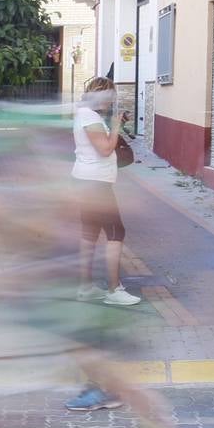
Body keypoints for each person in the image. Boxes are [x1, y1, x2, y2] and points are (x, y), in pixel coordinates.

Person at [71, 76, 140, 307]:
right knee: (116, 232)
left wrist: (112, 122)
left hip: (86, 181)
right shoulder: (90, 117)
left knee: (89, 233)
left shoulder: (87, 115)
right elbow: (105, 149)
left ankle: (85, 287)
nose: (112, 102)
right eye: (110, 97)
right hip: (95, 184)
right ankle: (114, 289)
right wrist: (117, 126)